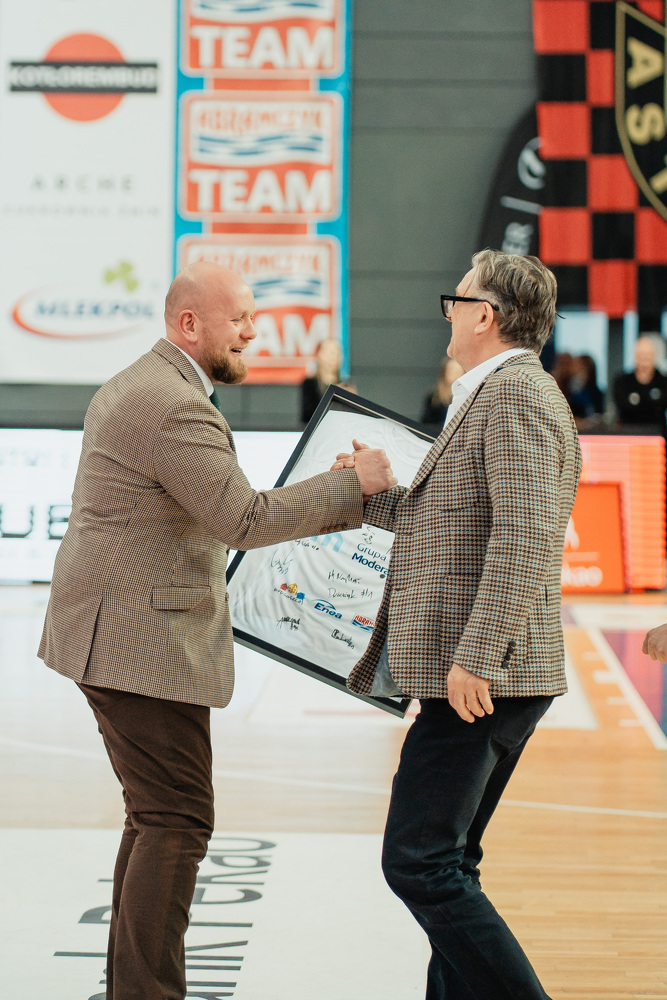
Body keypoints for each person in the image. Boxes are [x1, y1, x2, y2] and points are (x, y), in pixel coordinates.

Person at [37, 261, 396, 1000]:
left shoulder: (147, 384)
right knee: (175, 819)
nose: (253, 332)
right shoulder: (172, 404)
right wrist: (352, 488)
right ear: (189, 323)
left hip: (113, 630)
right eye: (239, 319)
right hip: (136, 641)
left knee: (156, 816)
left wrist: (334, 489)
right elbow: (243, 519)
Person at [335, 249, 581, 1000]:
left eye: (457, 300)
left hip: (480, 679)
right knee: (447, 862)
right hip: (486, 674)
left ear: (485, 316)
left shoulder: (513, 397)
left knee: (419, 863)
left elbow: (525, 536)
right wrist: (371, 492)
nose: (447, 314)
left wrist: (477, 655)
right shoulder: (495, 394)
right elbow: (453, 524)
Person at [613, 335, 667, 429]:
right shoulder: (622, 382)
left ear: (654, 356)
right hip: (629, 432)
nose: (644, 359)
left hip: (657, 433)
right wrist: (651, 403)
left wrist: (638, 401)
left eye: (648, 355)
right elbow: (623, 405)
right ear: (635, 356)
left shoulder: (663, 382)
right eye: (641, 355)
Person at [300, 336, 343, 423]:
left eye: (336, 353)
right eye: (329, 352)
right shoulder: (309, 384)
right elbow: (308, 415)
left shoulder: (345, 386)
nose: (332, 357)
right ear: (319, 355)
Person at [419, 357, 465, 430]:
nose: (455, 374)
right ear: (444, 372)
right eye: (452, 370)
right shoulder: (434, 397)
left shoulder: (467, 396)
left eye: (458, 371)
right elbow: (426, 423)